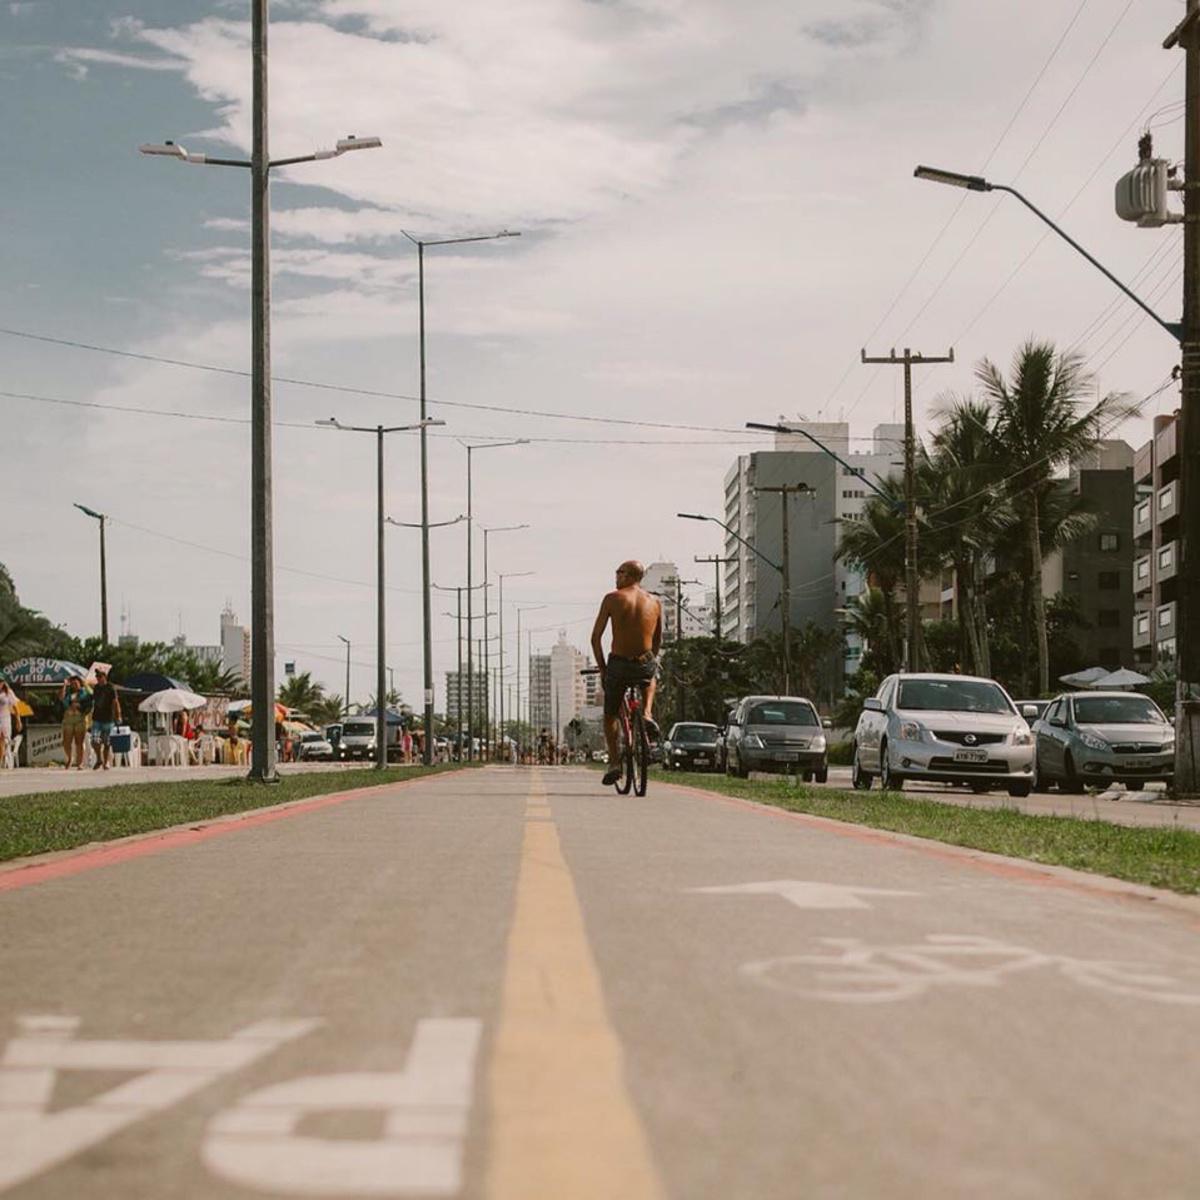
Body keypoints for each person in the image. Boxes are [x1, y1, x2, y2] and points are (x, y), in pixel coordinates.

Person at [590, 559, 662, 787]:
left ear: (630, 575)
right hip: (644, 662)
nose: (616, 577)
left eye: (619, 573)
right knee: (651, 677)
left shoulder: (612, 598)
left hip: (619, 664)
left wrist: (603, 669)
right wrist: (652, 659)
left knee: (610, 715)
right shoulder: (655, 601)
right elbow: (657, 640)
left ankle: (614, 763)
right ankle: (648, 713)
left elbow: (595, 638)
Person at [89, 668, 122, 770]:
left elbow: (115, 702)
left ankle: (106, 761)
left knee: (107, 742)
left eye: (100, 676)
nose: (98, 679)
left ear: (105, 677)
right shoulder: (96, 688)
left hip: (108, 718)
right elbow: (94, 702)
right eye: (97, 677)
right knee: (94, 741)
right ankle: (99, 759)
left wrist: (118, 716)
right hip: (97, 718)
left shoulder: (110, 688)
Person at [59, 675, 92, 769]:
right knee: (66, 742)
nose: (74, 685)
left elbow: (91, 698)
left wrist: (79, 706)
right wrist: (64, 685)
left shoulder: (85, 693)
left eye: (76, 683)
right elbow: (61, 698)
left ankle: (79, 763)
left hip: (80, 719)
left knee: (79, 742)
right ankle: (69, 758)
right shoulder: (68, 693)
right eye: (72, 683)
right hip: (68, 719)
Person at [0, 680, 22, 768]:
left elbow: (16, 707)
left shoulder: (8, 693)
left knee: (3, 740)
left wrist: (18, 720)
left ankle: (3, 762)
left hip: (5, 720)